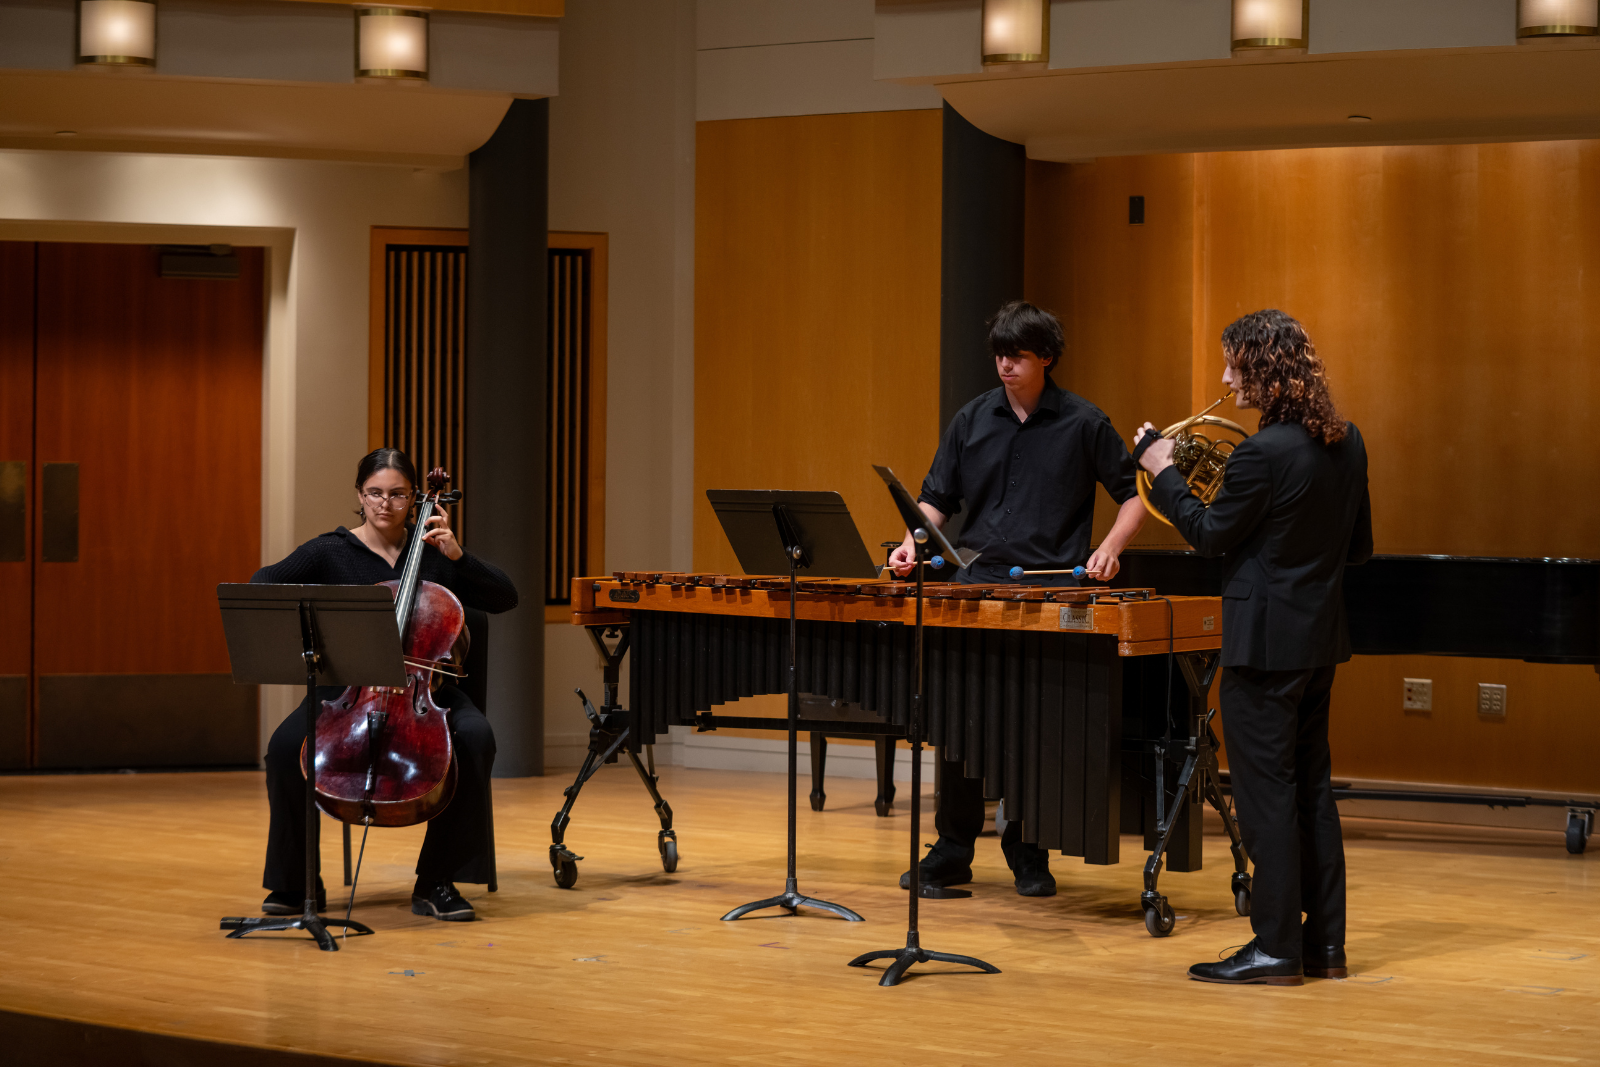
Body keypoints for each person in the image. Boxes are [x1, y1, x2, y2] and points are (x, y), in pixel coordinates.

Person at [1135, 309, 1371, 985]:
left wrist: (1163, 470)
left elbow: (1208, 534)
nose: (1224, 377)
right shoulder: (1347, 442)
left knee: (1267, 801)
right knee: (1312, 795)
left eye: (1234, 364)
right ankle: (1324, 946)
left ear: (1264, 370)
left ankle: (1273, 949)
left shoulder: (1262, 453)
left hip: (1262, 649)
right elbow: (1360, 547)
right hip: (1319, 640)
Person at [890, 300, 1146, 896]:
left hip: (1048, 589)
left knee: (1034, 723)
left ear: (1046, 359)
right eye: (999, 356)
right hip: (973, 586)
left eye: (1017, 356)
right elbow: (936, 500)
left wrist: (1109, 548)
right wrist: (909, 544)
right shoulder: (971, 419)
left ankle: (1028, 848)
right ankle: (953, 847)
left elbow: (1134, 493)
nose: (1004, 366)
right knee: (956, 719)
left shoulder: (1085, 423)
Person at [252, 448, 518, 922]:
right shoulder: (329, 550)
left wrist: (459, 555)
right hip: (346, 691)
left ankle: (437, 879)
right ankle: (295, 883)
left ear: (415, 498)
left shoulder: (437, 551)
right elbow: (264, 584)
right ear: (359, 495)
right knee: (283, 748)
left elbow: (505, 597)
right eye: (375, 493)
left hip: (425, 691)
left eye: (397, 494)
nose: (385, 504)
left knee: (477, 738)